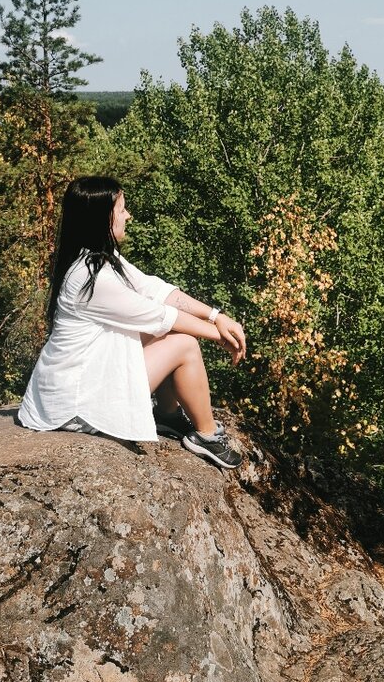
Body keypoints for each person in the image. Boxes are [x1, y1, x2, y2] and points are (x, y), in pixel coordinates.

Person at [17, 176, 247, 469]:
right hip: (76, 406)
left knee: (161, 337)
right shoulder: (92, 278)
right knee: (184, 345)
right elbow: (161, 315)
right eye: (122, 209)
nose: (129, 215)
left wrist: (217, 317)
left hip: (79, 384)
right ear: (103, 218)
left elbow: (155, 289)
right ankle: (205, 435)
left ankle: (166, 415)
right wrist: (219, 336)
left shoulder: (96, 258)